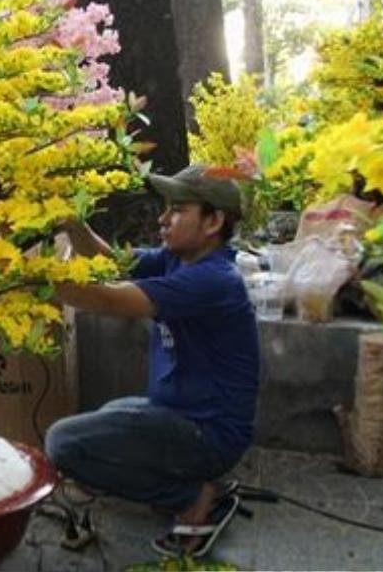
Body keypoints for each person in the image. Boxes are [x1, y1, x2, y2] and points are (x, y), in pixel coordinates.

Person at [47, 164, 259, 559]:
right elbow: (116, 263)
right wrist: (74, 226)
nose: (163, 219)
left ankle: (193, 498)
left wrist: (27, 275)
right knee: (112, 413)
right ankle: (183, 481)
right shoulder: (178, 259)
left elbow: (109, 299)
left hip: (206, 434)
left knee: (64, 442)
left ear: (213, 221)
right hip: (181, 417)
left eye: (177, 210)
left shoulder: (212, 280)